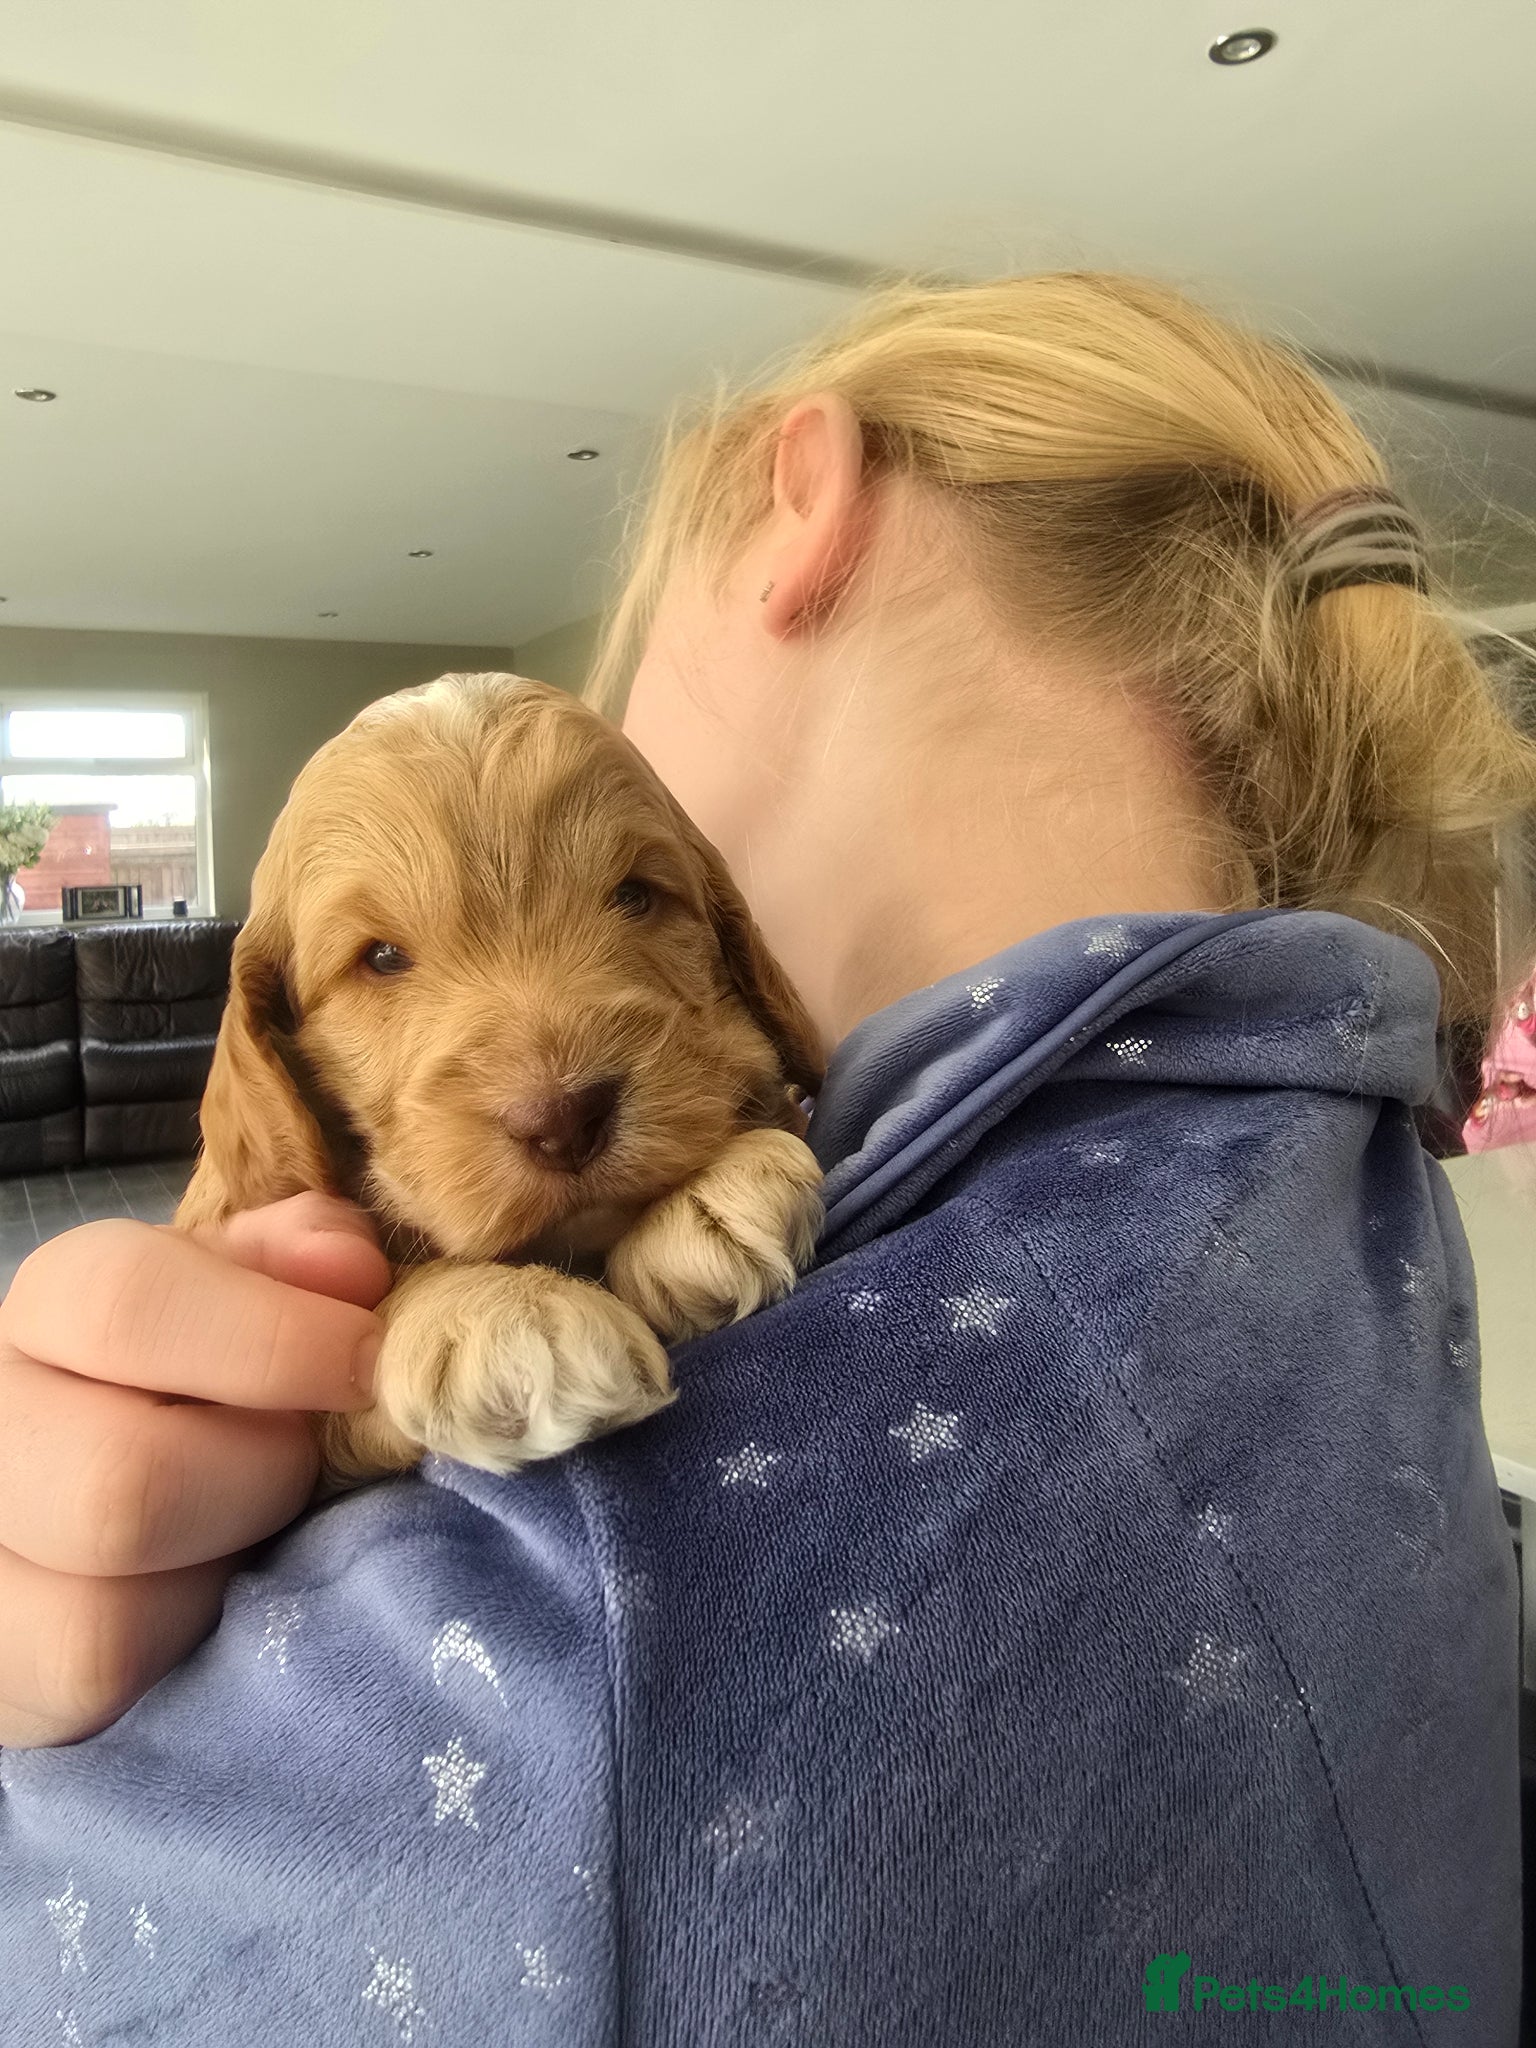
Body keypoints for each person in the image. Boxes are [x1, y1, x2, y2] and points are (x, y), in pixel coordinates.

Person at [2, 272, 1532, 2044]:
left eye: (632, 886)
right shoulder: (1365, 1211)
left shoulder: (586, 1661)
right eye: (397, 955)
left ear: (801, 501)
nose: (559, 1044)